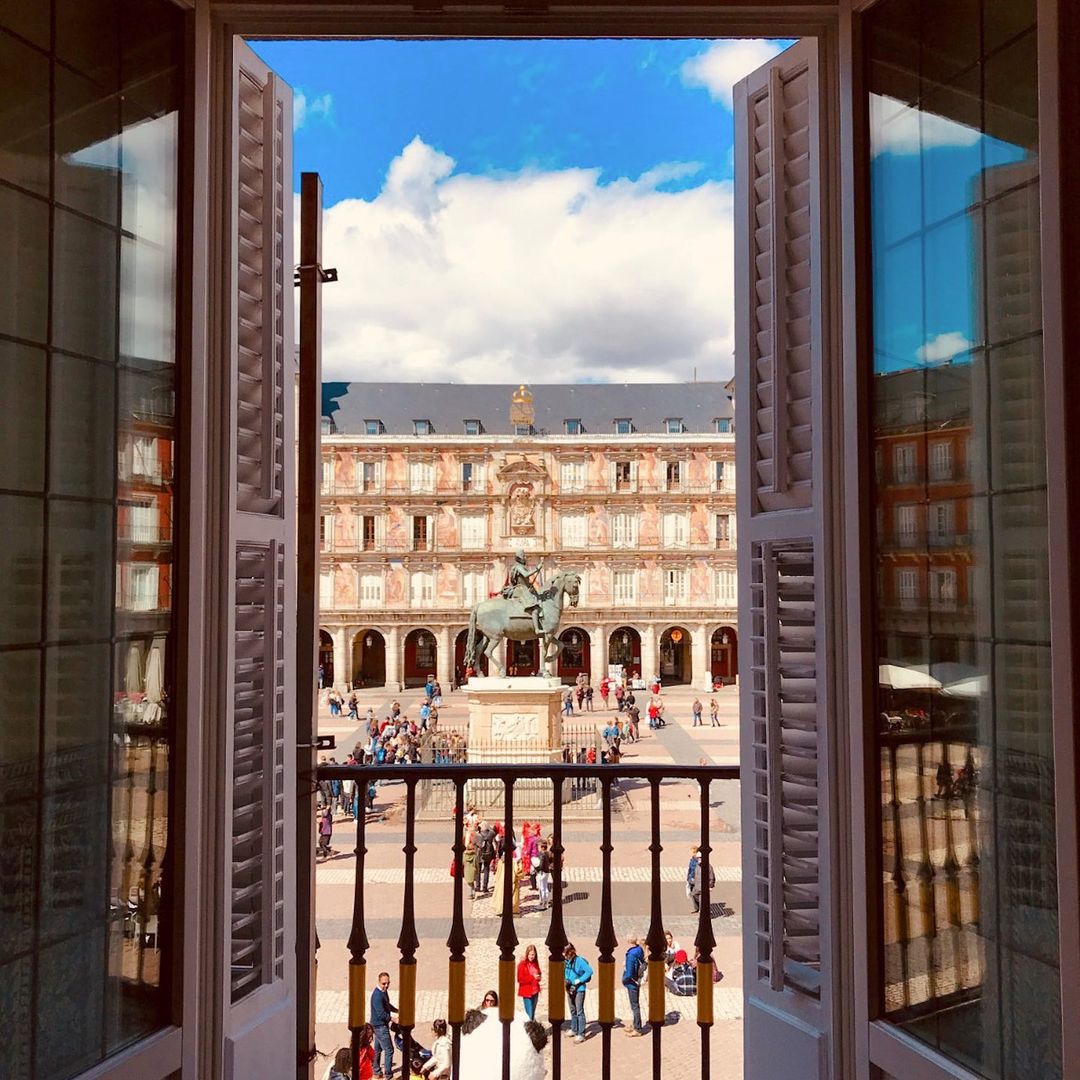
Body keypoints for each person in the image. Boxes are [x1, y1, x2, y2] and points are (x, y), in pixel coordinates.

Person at [501, 550, 546, 636]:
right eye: (524, 556)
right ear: (520, 558)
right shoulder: (518, 567)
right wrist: (537, 569)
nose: (525, 558)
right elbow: (525, 575)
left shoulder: (519, 567)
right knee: (535, 607)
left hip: (524, 588)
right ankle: (537, 629)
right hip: (522, 589)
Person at [563, 942, 593, 1043]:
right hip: (569, 988)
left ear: (569, 952)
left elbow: (589, 971)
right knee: (572, 1010)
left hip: (579, 989)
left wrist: (579, 980)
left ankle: (581, 1034)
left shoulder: (579, 960)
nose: (564, 955)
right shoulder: (566, 961)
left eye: (565, 953)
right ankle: (574, 1029)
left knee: (579, 1011)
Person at [371, 972, 398, 1079]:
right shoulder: (377, 996)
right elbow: (381, 1013)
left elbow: (387, 1004)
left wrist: (396, 1010)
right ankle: (388, 1075)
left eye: (388, 983)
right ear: (379, 982)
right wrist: (393, 1019)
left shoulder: (383, 992)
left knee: (378, 1049)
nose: (386, 985)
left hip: (378, 1025)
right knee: (389, 1050)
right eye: (384, 983)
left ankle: (376, 1070)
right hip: (380, 1026)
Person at [621, 935, 648, 1036]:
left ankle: (637, 1028)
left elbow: (629, 972)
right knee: (635, 1004)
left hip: (632, 983)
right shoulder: (639, 949)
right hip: (636, 979)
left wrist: (624, 979)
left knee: (635, 1005)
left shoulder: (631, 955)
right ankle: (635, 1023)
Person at [517, 944, 542, 1020]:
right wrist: (532, 977)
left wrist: (538, 977)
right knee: (529, 1015)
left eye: (533, 954)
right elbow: (520, 979)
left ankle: (531, 1029)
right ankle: (529, 1030)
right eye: (530, 954)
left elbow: (539, 973)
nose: (532, 956)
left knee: (533, 1013)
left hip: (535, 992)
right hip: (527, 993)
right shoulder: (522, 964)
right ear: (527, 954)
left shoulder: (535, 963)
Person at [535, 841, 553, 909]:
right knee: (545, 888)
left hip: (542, 872)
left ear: (542, 847)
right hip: (546, 872)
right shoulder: (547, 853)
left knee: (542, 888)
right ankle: (546, 903)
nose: (538, 848)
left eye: (538, 847)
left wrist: (536, 868)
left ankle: (543, 903)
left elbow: (541, 865)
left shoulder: (542, 854)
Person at [463, 835, 478, 900]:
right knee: (471, 883)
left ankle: (470, 894)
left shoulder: (464, 855)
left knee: (469, 883)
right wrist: (477, 870)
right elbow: (476, 863)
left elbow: (463, 862)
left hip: (467, 870)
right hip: (473, 869)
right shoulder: (474, 855)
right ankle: (473, 893)